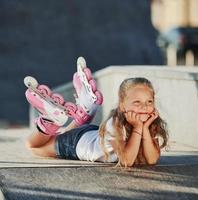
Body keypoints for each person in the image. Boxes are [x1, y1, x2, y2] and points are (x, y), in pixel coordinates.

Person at [24, 57, 168, 167]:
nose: (144, 107)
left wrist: (145, 129)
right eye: (137, 102)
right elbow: (127, 161)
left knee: (53, 138)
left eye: (149, 102)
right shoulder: (116, 124)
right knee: (34, 147)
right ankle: (50, 120)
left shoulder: (149, 123)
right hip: (76, 145)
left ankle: (84, 112)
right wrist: (138, 128)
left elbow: (152, 159)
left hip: (91, 134)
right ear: (122, 105)